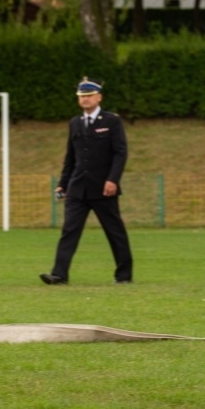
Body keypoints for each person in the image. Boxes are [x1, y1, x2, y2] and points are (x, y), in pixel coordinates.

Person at [40, 77, 133, 285]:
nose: (85, 99)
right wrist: (63, 183)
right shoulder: (75, 123)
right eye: (82, 96)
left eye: (89, 96)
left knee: (114, 232)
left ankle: (124, 275)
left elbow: (120, 153)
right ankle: (59, 274)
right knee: (69, 231)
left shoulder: (112, 121)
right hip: (77, 188)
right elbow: (70, 157)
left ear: (99, 97)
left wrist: (113, 180)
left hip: (103, 189)